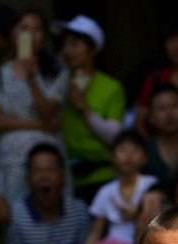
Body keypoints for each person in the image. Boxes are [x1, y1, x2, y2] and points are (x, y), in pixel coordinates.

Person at [0, 8, 68, 206]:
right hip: (9, 162)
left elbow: (47, 113)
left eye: (37, 29)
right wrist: (39, 126)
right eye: (24, 28)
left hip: (48, 160)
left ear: (44, 36)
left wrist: (33, 78)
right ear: (13, 33)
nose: (30, 34)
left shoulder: (57, 73)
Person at [56, 15, 125, 203]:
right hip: (61, 175)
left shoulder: (111, 87)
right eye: (66, 45)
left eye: (75, 44)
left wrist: (83, 107)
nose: (68, 51)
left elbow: (113, 136)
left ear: (93, 49)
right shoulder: (56, 82)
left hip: (100, 175)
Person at [5, 143, 90, 244]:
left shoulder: (79, 211)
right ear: (28, 178)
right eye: (38, 170)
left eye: (51, 170)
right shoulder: (16, 215)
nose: (44, 176)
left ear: (64, 176)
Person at [81, 130, 156, 244]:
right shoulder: (105, 191)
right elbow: (96, 232)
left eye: (135, 151)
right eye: (122, 150)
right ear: (112, 157)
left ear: (145, 157)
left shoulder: (151, 184)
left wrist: (138, 209)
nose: (128, 156)